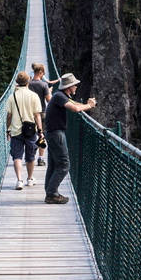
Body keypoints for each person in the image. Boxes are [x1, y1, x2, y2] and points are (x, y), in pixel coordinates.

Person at [40, 71, 96, 205]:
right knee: (64, 165)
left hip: (53, 133)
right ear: (68, 87)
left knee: (54, 164)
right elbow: (75, 109)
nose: (76, 87)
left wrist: (87, 105)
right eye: (75, 85)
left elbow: (76, 104)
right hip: (56, 134)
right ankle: (52, 194)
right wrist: (89, 106)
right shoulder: (59, 96)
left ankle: (50, 191)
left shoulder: (60, 95)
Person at [4, 70, 43, 189]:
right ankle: (30, 179)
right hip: (30, 130)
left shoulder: (12, 96)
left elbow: (9, 116)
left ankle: (19, 180)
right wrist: (40, 130)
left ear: (17, 82)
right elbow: (37, 115)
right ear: (28, 82)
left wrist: (8, 130)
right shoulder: (34, 96)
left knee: (17, 156)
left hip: (16, 130)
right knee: (30, 156)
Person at [26, 63, 51, 185]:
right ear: (40, 72)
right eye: (43, 73)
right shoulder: (43, 84)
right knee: (42, 135)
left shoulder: (28, 84)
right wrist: (49, 91)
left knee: (31, 135)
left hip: (29, 114)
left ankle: (30, 155)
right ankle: (40, 158)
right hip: (42, 113)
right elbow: (48, 100)